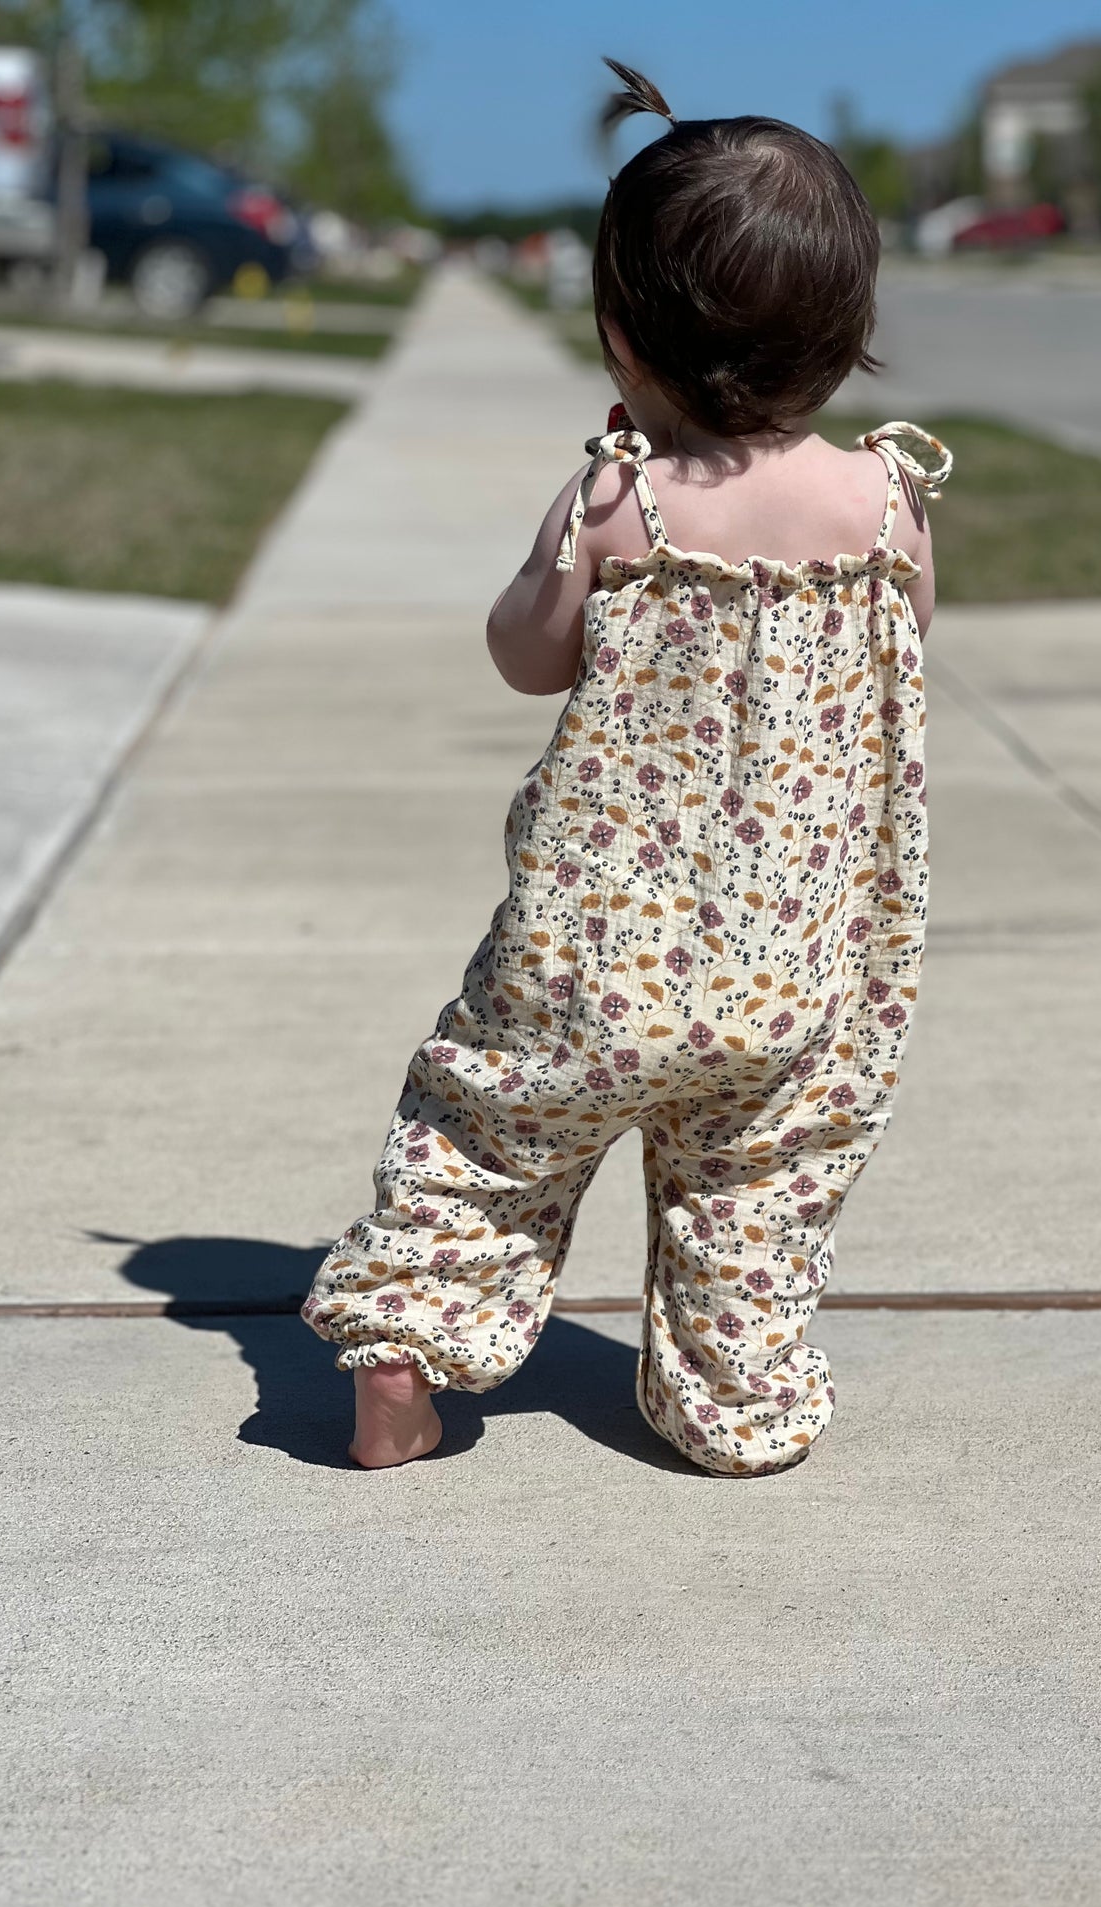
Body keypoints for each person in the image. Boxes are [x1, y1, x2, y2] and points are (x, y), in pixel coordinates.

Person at [301, 58, 953, 1476]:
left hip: (587, 959)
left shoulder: (622, 503)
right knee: (754, 1186)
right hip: (789, 966)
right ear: (847, 337)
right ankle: (739, 1406)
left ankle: (406, 1352)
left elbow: (525, 657)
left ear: (619, 334)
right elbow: (906, 650)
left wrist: (573, 557)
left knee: (484, 1145)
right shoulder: (884, 499)